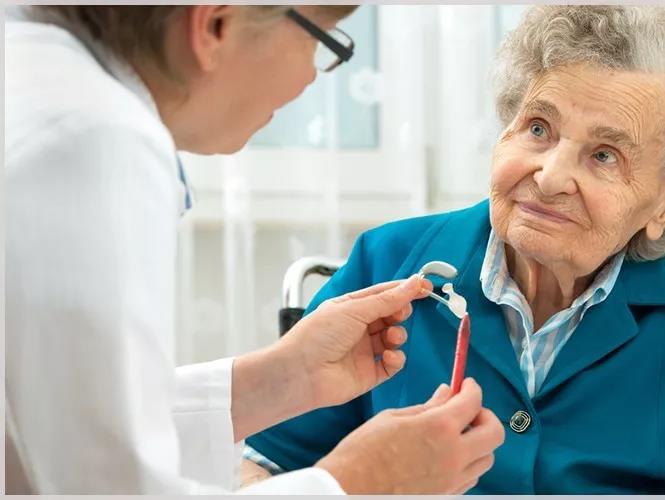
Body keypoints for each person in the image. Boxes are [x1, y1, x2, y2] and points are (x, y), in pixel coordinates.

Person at [243, 6, 665, 495]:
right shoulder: (388, 260)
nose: (551, 176)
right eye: (538, 128)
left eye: (604, 155)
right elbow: (261, 467)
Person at [5, 5, 503, 494]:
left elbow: (62, 421)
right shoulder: (91, 141)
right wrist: (361, 480)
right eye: (320, 41)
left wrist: (282, 378)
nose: (311, 77)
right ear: (215, 25)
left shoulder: (47, 89)